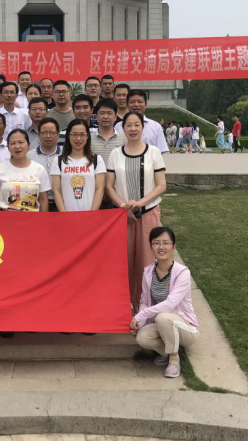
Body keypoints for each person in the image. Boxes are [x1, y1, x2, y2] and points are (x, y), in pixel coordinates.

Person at [105, 111, 167, 308]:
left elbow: (161, 185)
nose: (132, 129)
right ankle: (124, 303)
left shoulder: (153, 152)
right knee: (123, 260)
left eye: (136, 125)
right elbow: (109, 186)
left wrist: (140, 203)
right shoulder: (115, 154)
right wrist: (124, 206)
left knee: (147, 260)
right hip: (122, 215)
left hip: (148, 213)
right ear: (122, 128)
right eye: (128, 125)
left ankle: (145, 304)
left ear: (142, 127)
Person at [131, 226, 199, 379]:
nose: (161, 247)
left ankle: (174, 359)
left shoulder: (182, 273)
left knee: (163, 317)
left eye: (166, 243)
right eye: (156, 243)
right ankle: (169, 352)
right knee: (142, 337)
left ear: (174, 247)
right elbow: (144, 301)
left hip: (186, 328)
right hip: (162, 324)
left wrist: (140, 315)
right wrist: (140, 322)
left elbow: (170, 304)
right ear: (151, 247)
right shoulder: (148, 272)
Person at [0, 128, 51, 212]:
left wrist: (43, 219)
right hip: (5, 217)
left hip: (32, 217)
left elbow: (43, 200)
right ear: (8, 147)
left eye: (21, 142)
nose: (17, 146)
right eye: (13, 143)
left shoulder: (39, 169)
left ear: (28, 145)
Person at [51, 119, 107, 212]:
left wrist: (92, 214)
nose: (78, 138)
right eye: (74, 134)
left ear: (87, 136)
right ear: (68, 136)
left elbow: (99, 189)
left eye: (82, 134)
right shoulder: (58, 161)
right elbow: (57, 191)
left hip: (90, 215)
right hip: (67, 215)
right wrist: (64, 214)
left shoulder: (97, 160)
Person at [114, 89, 169, 154]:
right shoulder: (118, 126)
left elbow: (163, 152)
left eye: (140, 101)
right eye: (132, 102)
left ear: (146, 104)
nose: (136, 105)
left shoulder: (156, 127)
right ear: (127, 105)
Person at [28, 117, 61, 211]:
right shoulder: (29, 156)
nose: (48, 136)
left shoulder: (65, 154)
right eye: (44, 133)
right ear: (39, 134)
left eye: (52, 133)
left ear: (58, 134)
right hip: (37, 203)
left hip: (61, 203)